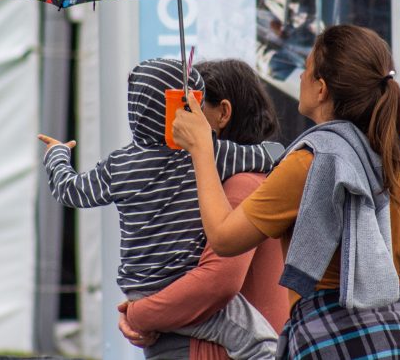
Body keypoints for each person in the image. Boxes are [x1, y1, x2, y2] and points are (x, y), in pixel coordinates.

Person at [172, 25, 400, 359]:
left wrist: (201, 146)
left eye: (307, 67)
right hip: (396, 339)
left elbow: (224, 239)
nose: (300, 75)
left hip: (328, 340)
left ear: (321, 89)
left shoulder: (309, 163)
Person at [37, 58, 279, 360]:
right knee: (264, 346)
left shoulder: (118, 165)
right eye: (189, 105)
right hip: (180, 293)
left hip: (140, 290)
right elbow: (270, 155)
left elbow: (70, 190)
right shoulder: (208, 157)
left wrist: (57, 156)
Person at [117, 59, 291, 359]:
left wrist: (138, 313)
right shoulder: (231, 183)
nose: (173, 121)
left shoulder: (242, 184)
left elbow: (217, 281)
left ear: (223, 113)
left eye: (191, 107)